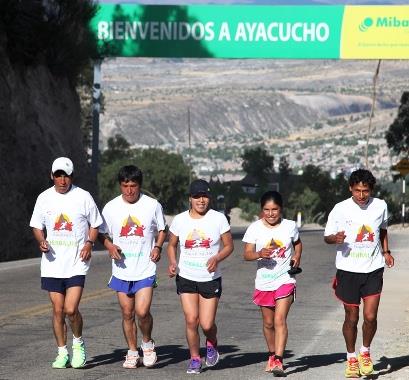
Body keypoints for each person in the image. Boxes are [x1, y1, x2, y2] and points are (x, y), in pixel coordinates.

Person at [30, 157, 103, 369]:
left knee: (71, 309)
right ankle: (62, 352)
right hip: (52, 263)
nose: (62, 180)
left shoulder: (83, 197)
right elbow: (36, 225)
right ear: (52, 176)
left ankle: (78, 343)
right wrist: (41, 239)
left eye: (66, 176)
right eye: (58, 175)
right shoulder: (44, 198)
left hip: (76, 262)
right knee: (58, 310)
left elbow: (95, 224)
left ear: (72, 176)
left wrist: (89, 243)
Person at [324, 169, 394, 378]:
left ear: (371, 189)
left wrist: (386, 251)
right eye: (357, 191)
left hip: (373, 268)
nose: (361, 195)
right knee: (352, 317)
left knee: (370, 316)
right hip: (348, 270)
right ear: (350, 189)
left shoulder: (380, 205)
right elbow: (327, 237)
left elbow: (382, 230)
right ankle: (351, 358)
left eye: (365, 191)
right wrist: (334, 239)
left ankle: (365, 353)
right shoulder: (340, 209)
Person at [98, 165, 167, 369]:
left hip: (145, 268)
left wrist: (157, 246)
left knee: (142, 311)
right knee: (127, 313)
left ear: (140, 186)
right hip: (121, 269)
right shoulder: (111, 208)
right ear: (120, 185)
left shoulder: (152, 205)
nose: (129, 190)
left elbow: (162, 229)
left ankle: (147, 344)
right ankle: (131, 350)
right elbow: (100, 233)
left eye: (133, 186)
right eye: (125, 185)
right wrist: (109, 245)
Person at [167, 179, 234, 374]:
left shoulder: (218, 219)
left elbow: (229, 246)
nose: (201, 200)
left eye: (204, 196)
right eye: (197, 196)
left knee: (206, 324)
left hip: (210, 278)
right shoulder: (180, 220)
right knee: (191, 320)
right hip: (186, 276)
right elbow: (171, 245)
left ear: (209, 198)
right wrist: (172, 262)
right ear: (190, 199)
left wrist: (217, 257)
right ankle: (195, 358)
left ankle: (211, 341)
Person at [242, 190, 302, 376]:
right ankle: (271, 354)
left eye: (274, 209)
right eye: (266, 210)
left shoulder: (290, 226)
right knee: (268, 323)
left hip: (285, 279)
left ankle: (278, 360)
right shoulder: (254, 228)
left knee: (279, 320)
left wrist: (297, 256)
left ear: (281, 209)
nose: (270, 214)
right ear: (262, 210)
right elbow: (246, 254)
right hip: (264, 282)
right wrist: (259, 254)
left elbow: (298, 243)